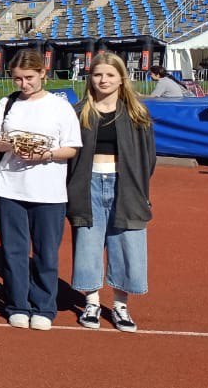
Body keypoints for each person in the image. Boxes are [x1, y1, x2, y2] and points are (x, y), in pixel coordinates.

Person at [68, 52, 156, 333]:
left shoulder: (136, 113)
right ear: (90, 78)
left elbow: (148, 156)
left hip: (125, 185)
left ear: (121, 78)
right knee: (88, 244)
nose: (103, 80)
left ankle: (120, 305)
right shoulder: (79, 111)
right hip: (88, 184)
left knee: (127, 244)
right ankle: (91, 302)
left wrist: (139, 187)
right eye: (97, 74)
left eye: (109, 74)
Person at [0, 49, 82, 331]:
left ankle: (44, 306)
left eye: (29, 78)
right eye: (18, 79)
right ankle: (17, 304)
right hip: (9, 188)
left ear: (43, 73)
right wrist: (6, 145)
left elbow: (71, 147)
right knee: (14, 252)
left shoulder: (60, 107)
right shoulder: (6, 103)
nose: (24, 84)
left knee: (46, 253)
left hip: (49, 191)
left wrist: (45, 154)